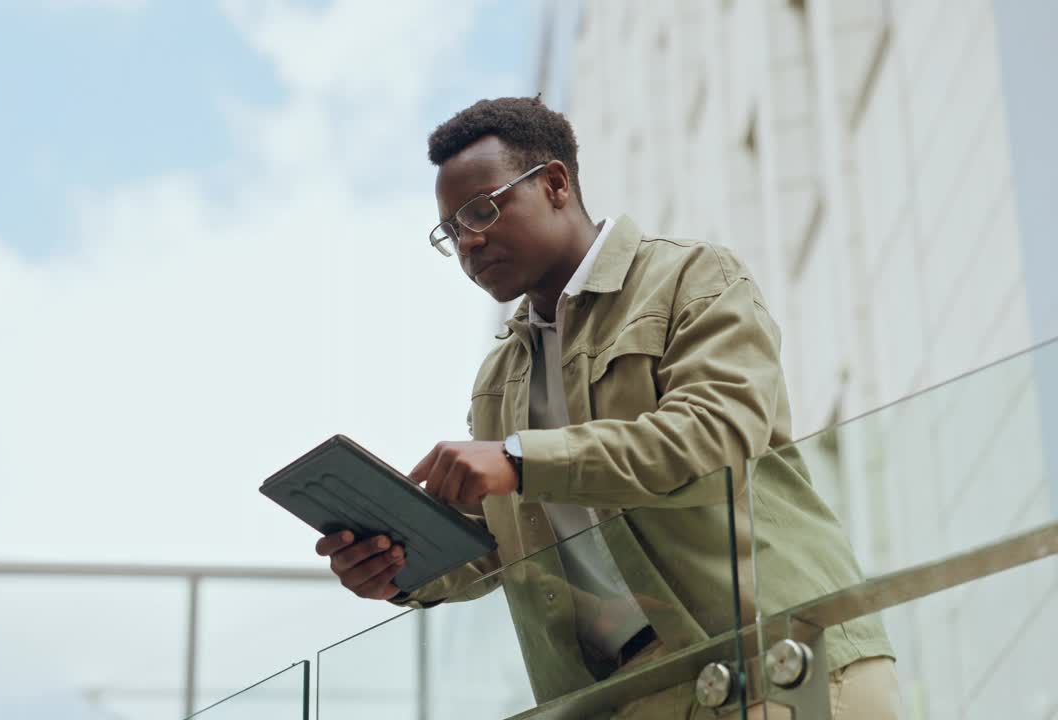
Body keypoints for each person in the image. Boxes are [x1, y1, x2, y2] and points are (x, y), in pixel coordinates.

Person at [313, 97, 899, 719]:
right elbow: (506, 546)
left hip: (776, 661)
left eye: (481, 210)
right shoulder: (498, 380)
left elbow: (716, 434)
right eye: (451, 231)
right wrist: (403, 568)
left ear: (556, 185)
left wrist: (517, 458)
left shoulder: (691, 276)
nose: (469, 242)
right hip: (630, 696)